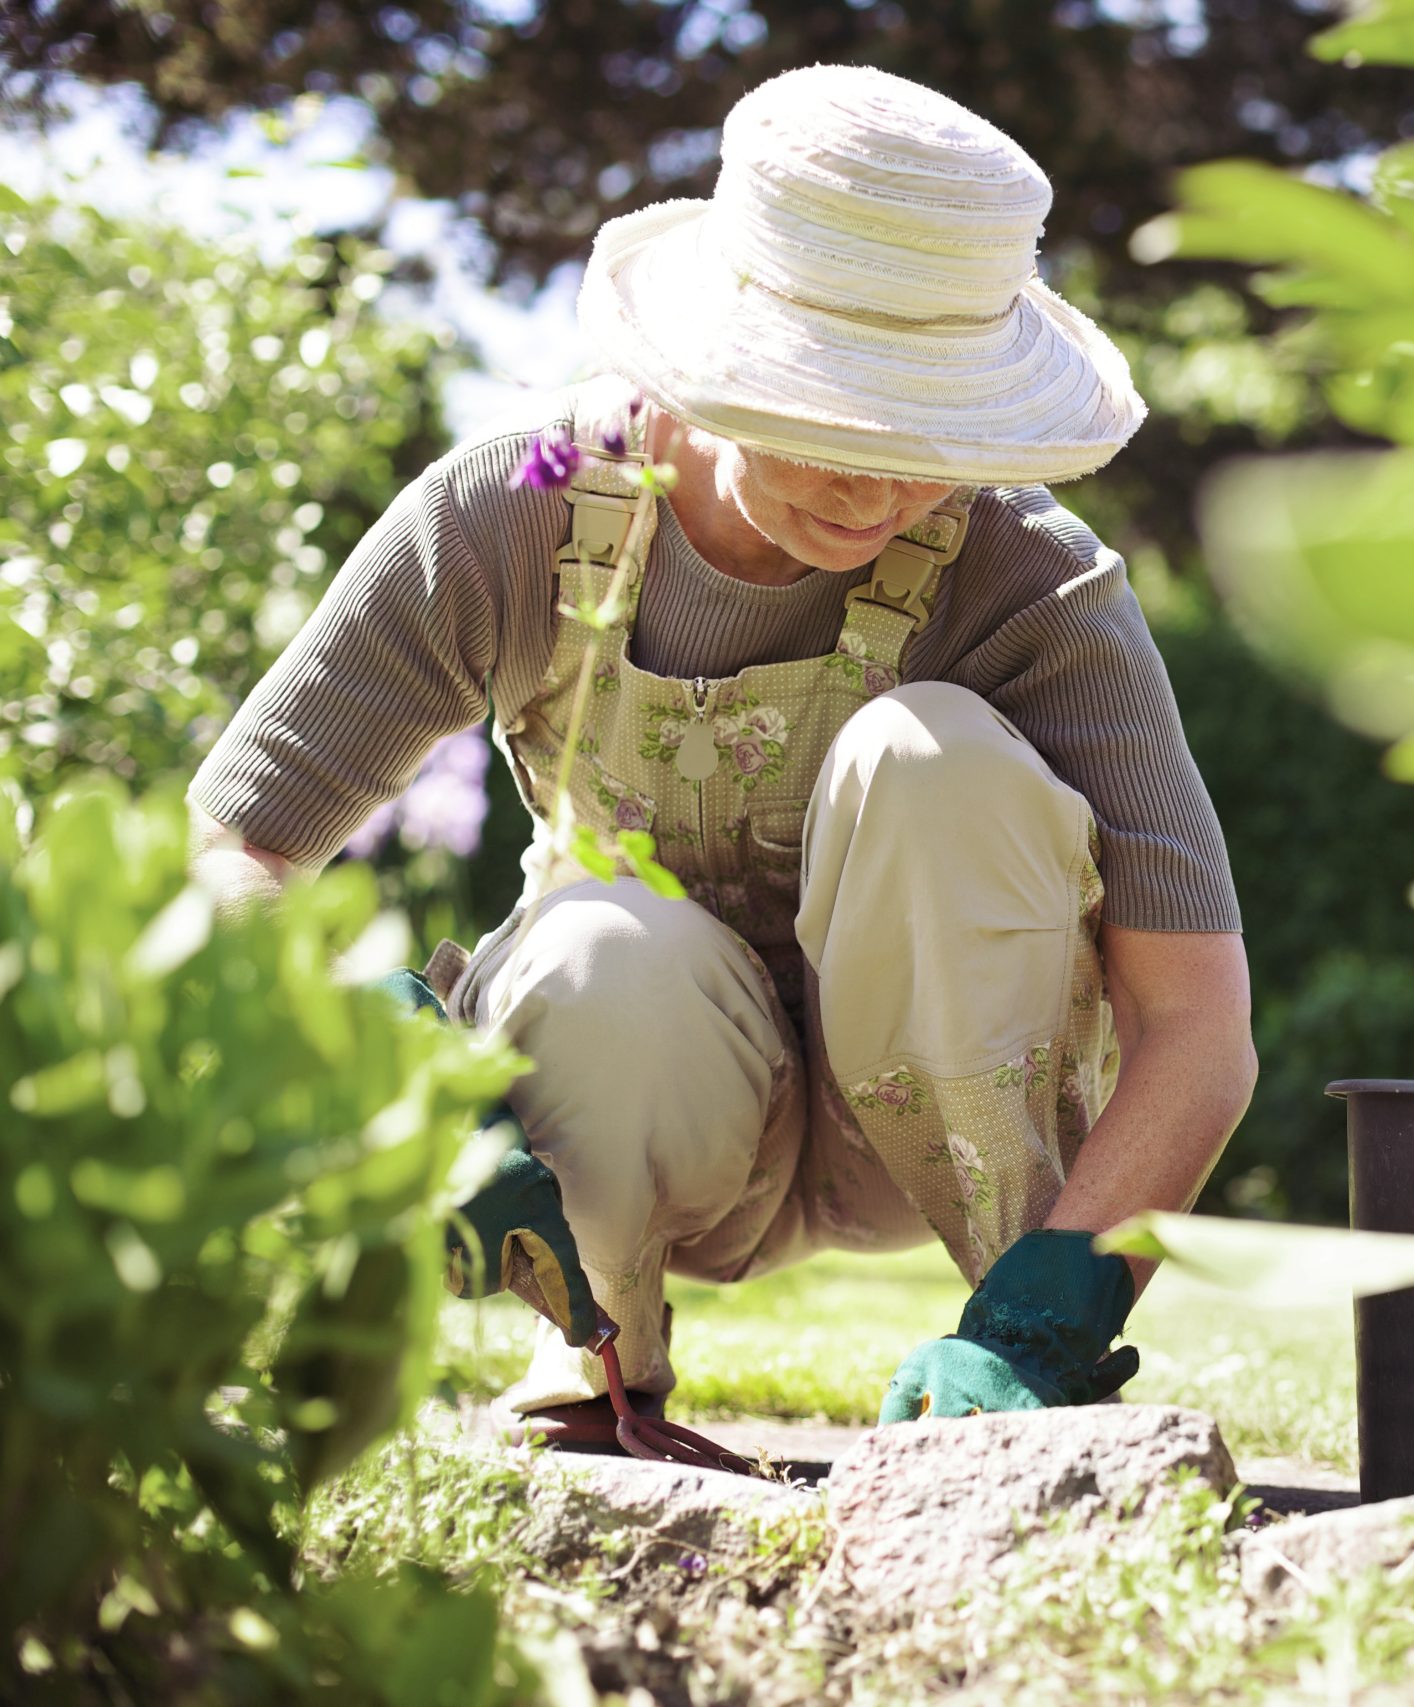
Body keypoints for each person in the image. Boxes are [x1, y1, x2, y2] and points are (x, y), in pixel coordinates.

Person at [187, 64, 1255, 1438]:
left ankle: (1003, 1379)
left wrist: (1065, 1302)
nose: (878, 487)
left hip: (930, 1126)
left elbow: (1199, 1027)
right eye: (830, 420)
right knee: (596, 950)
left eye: (925, 431)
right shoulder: (517, 510)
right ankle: (599, 1348)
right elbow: (238, 849)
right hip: (628, 1107)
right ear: (713, 362)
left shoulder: (1026, 579)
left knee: (933, 759)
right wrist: (368, 1059)